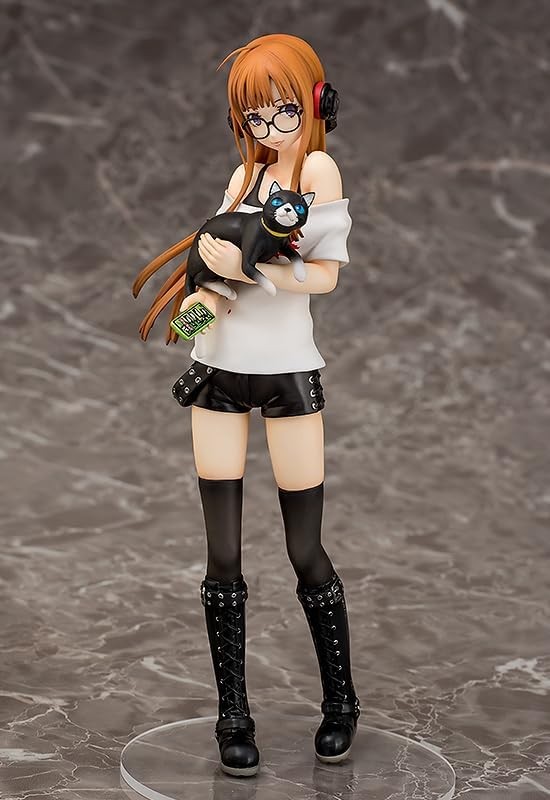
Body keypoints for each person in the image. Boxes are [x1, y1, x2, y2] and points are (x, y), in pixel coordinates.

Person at [132, 33, 361, 778]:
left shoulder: (316, 169)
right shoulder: (244, 175)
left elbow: (324, 276)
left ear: (315, 102)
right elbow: (216, 290)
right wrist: (191, 317)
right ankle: (234, 714)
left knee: (305, 548)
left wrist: (252, 266)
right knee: (222, 555)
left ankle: (341, 702)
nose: (270, 128)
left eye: (282, 112)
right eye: (254, 118)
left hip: (288, 370)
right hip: (221, 370)